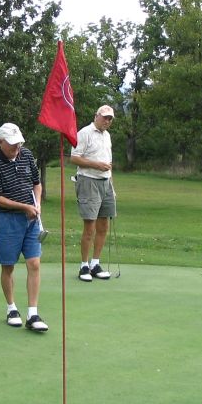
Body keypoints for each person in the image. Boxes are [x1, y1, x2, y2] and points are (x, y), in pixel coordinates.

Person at [0, 123, 48, 332]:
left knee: (34, 263)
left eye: (18, 143)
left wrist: (36, 203)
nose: (16, 148)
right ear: (0, 142)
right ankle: (11, 308)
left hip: (31, 221)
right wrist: (24, 207)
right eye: (12, 145)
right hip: (7, 221)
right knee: (8, 266)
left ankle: (33, 313)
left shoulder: (26, 155)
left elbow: (36, 183)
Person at [70, 105, 117, 282]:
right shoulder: (85, 133)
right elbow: (74, 157)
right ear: (96, 116)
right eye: (104, 117)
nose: (107, 121)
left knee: (103, 225)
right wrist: (97, 165)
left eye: (110, 118)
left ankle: (95, 264)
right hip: (88, 181)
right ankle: (83, 265)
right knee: (89, 226)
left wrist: (112, 186)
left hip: (106, 183)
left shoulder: (107, 136)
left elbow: (108, 164)